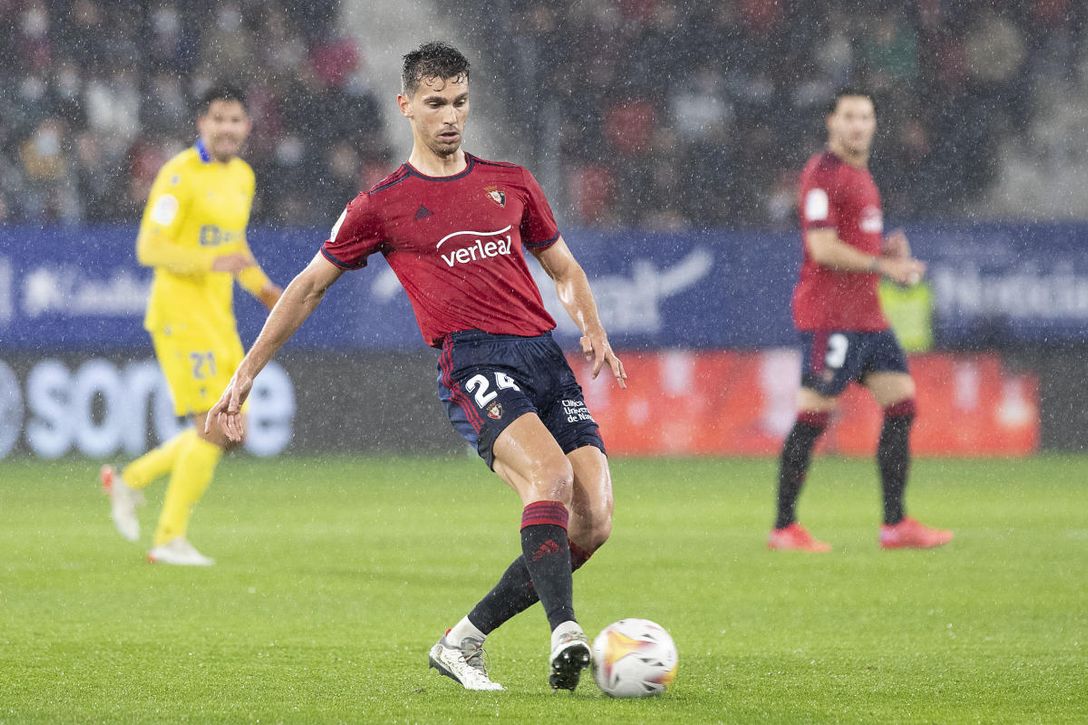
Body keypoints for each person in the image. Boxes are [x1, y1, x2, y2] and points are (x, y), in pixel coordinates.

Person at [206, 42, 625, 692]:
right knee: (549, 476)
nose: (451, 116)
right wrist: (247, 370)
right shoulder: (383, 204)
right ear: (406, 106)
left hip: (544, 355)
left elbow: (562, 266)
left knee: (594, 514)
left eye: (459, 101)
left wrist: (591, 322)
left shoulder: (511, 181)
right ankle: (565, 632)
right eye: (436, 103)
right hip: (475, 359)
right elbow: (309, 285)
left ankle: (463, 640)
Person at [100, 84, 282, 566]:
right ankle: (168, 537)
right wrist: (208, 261)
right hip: (180, 318)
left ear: (246, 127)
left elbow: (234, 248)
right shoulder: (178, 175)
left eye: (235, 120)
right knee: (213, 425)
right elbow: (150, 248)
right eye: (218, 118)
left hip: (217, 319)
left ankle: (130, 481)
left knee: (220, 427)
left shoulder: (242, 176)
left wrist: (265, 291)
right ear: (202, 123)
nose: (227, 128)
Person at [769, 88, 953, 553]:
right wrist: (883, 267)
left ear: (874, 123)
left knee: (903, 404)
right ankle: (784, 527)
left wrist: (883, 251)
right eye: (848, 116)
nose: (857, 125)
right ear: (831, 122)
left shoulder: (862, 176)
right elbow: (822, 248)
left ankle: (895, 525)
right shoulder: (822, 174)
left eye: (865, 116)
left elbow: (853, 244)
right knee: (813, 416)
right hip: (830, 318)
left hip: (868, 318)